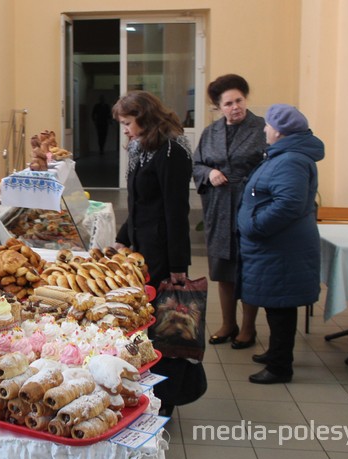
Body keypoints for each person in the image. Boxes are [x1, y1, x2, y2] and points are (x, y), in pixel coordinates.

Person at [113, 91, 195, 415]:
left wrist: (178, 265)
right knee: (144, 325)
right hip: (142, 247)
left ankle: (167, 398)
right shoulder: (140, 147)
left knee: (164, 330)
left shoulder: (172, 151)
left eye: (128, 123)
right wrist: (123, 238)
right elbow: (138, 202)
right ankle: (147, 389)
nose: (125, 130)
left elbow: (176, 212)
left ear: (145, 119)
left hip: (163, 250)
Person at [237, 104, 323, 384]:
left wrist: (255, 225)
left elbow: (289, 204)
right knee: (276, 304)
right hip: (276, 246)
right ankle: (276, 352)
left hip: (281, 247)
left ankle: (279, 366)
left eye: (269, 125)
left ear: (280, 131)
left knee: (281, 306)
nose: (264, 129)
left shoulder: (291, 160)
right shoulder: (284, 155)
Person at [192, 74, 266, 349]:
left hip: (249, 206)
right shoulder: (211, 132)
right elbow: (197, 164)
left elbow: (269, 167)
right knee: (223, 268)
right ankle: (228, 323)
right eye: (228, 103)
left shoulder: (261, 128)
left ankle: (248, 328)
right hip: (219, 207)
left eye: (239, 100)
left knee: (248, 267)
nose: (235, 107)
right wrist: (208, 173)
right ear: (218, 107)